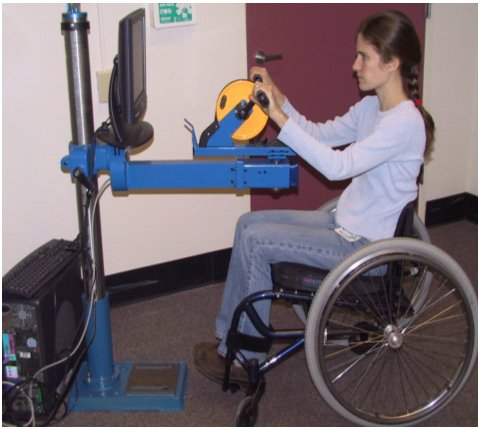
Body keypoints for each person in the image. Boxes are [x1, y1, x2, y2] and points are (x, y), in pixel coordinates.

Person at [193, 10, 435, 387]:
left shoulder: (404, 122)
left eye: (364, 57)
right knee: (248, 223)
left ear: (392, 63)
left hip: (364, 249)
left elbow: (337, 167)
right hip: (343, 225)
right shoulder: (374, 107)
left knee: (258, 242)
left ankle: (245, 357)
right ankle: (231, 341)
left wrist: (280, 120)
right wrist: (278, 100)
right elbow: (320, 135)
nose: (354, 65)